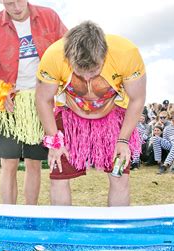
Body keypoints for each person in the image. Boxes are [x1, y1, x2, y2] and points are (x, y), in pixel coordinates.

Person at [36, 21, 146, 206]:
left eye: (94, 71)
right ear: (68, 57)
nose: (87, 78)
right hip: (70, 116)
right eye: (80, 72)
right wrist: (54, 140)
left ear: (104, 55)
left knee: (119, 176)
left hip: (112, 116)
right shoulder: (53, 56)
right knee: (58, 175)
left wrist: (123, 140)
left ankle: (116, 231)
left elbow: (137, 98)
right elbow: (42, 99)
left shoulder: (126, 54)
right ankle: (63, 231)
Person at [0, 0, 67, 205]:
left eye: (19, 1)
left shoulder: (49, 17)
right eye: (9, 3)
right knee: (8, 162)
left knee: (33, 163)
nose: (16, 7)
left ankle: (30, 215)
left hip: (40, 102)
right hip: (8, 102)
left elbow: (69, 51)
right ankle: (10, 216)